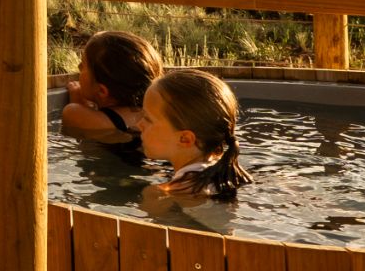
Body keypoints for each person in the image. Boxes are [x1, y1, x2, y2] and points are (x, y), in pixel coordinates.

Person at [142, 69, 254, 207]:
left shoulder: (164, 195)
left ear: (185, 139)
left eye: (148, 119)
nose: (139, 124)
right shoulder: (232, 176)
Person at [57, 31, 161, 166]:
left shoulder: (74, 112)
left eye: (82, 66)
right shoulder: (156, 114)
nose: (78, 68)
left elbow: (78, 133)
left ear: (102, 91)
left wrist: (77, 98)